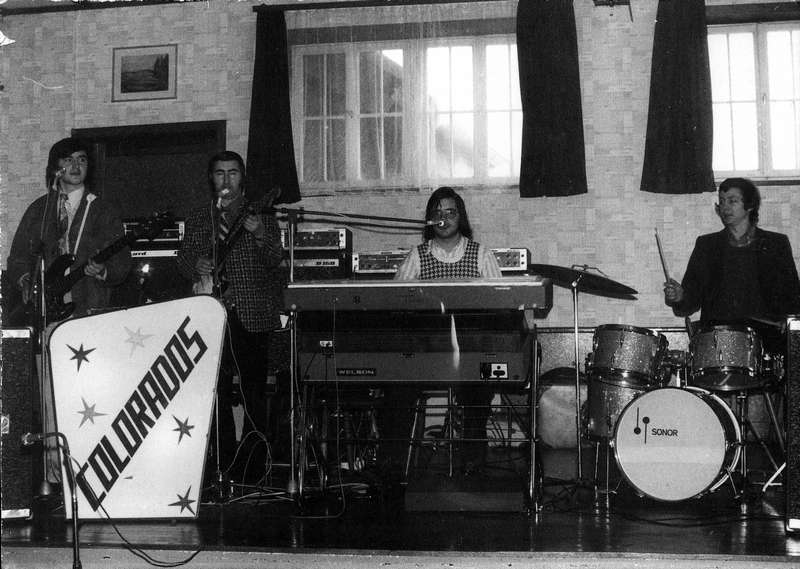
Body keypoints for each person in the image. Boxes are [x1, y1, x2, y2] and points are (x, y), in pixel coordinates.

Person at [7, 136, 132, 484]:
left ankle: (91, 476)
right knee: (50, 397)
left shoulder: (103, 210)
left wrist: (104, 271)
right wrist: (25, 281)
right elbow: (18, 258)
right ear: (55, 168)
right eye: (68, 160)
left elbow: (122, 263)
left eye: (82, 159)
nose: (76, 166)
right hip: (48, 317)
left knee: (90, 397)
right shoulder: (39, 210)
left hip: (88, 313)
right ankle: (53, 478)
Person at [176, 150, 284, 486]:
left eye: (233, 172)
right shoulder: (200, 217)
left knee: (253, 393)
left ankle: (252, 467)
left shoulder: (261, 215)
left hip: (251, 314)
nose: (227, 179)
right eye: (220, 173)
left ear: (242, 177)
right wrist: (195, 264)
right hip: (212, 313)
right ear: (212, 179)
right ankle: (220, 464)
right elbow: (183, 257)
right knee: (215, 391)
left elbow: (275, 259)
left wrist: (260, 233)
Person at [386, 186, 502, 476]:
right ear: (429, 219)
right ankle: (394, 466)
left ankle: (473, 463)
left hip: (469, 353)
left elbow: (500, 306)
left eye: (451, 212)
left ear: (461, 217)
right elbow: (394, 303)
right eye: (438, 212)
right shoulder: (417, 256)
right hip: (427, 353)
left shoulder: (481, 255)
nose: (444, 218)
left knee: (479, 387)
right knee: (396, 387)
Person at [664, 177, 800, 326]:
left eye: (732, 201)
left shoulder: (776, 244)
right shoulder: (707, 245)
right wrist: (679, 297)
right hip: (718, 335)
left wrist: (788, 323)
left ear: (750, 205)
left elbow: (793, 297)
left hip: (767, 335)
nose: (725, 208)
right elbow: (689, 303)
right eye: (722, 202)